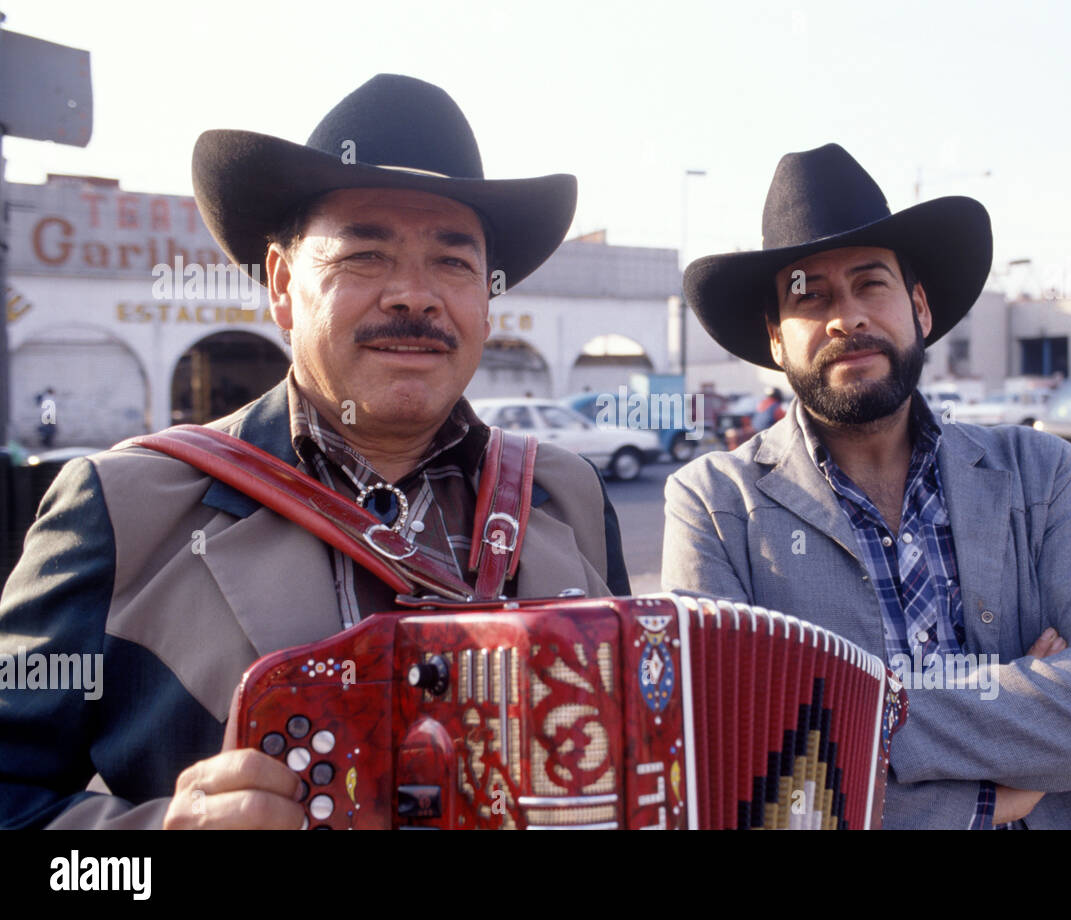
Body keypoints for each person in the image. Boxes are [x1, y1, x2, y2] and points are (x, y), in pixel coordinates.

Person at [0, 75, 629, 829]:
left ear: (486, 304)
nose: (414, 295)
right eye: (365, 255)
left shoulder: (568, 497)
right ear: (282, 286)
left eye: (453, 263)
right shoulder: (121, 507)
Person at [662, 143, 1071, 829]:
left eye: (871, 284)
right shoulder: (713, 503)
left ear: (919, 309)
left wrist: (851, 720)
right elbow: (729, 760)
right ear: (776, 339)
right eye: (810, 294)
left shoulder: (1038, 472)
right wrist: (990, 796)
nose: (847, 317)